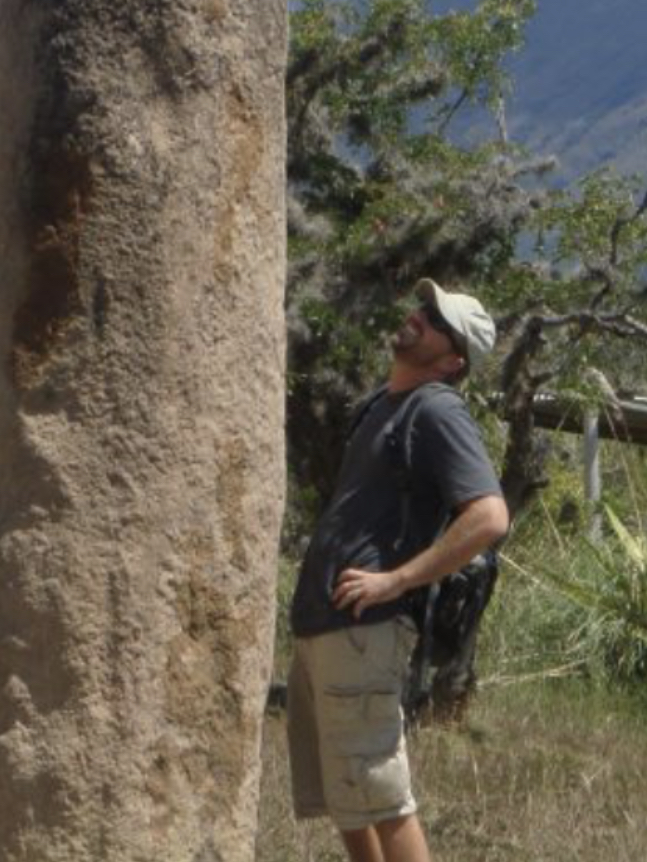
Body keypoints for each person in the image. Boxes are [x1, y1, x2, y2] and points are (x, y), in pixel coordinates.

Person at [287, 277, 509, 862]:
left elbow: (489, 516)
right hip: (328, 625)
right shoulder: (383, 407)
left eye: (436, 321)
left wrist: (398, 580)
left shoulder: (436, 410)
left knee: (382, 797)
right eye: (423, 308)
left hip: (366, 630)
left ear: (453, 359)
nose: (419, 317)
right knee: (348, 794)